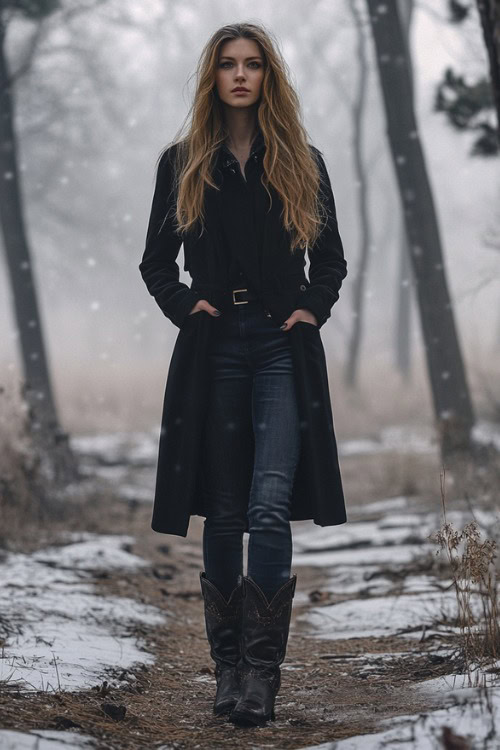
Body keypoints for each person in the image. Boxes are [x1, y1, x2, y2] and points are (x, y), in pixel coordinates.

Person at [139, 21, 348, 727]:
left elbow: (333, 262)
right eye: (228, 64)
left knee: (267, 507)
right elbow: (155, 263)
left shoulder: (302, 161)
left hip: (280, 348)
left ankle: (262, 676)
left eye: (252, 64)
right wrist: (186, 308)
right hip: (216, 348)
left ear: (268, 77)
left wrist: (310, 311)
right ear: (213, 76)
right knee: (226, 513)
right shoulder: (182, 164)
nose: (239, 75)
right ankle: (226, 672)